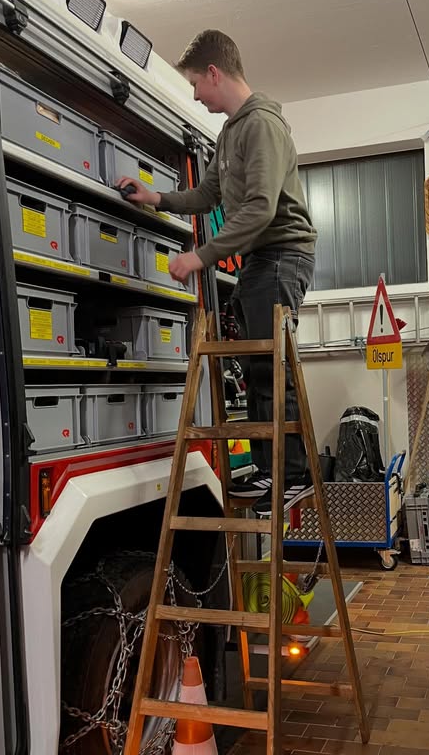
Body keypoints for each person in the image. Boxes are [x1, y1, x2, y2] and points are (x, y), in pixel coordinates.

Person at [118, 30, 317, 516]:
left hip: (281, 254)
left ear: (214, 72)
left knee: (271, 366)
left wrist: (198, 257)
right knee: (256, 368)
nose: (194, 96)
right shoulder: (228, 134)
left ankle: (291, 477)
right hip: (259, 260)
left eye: (195, 84)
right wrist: (155, 198)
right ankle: (272, 472)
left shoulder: (262, 125)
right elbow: (208, 196)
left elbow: (261, 209)